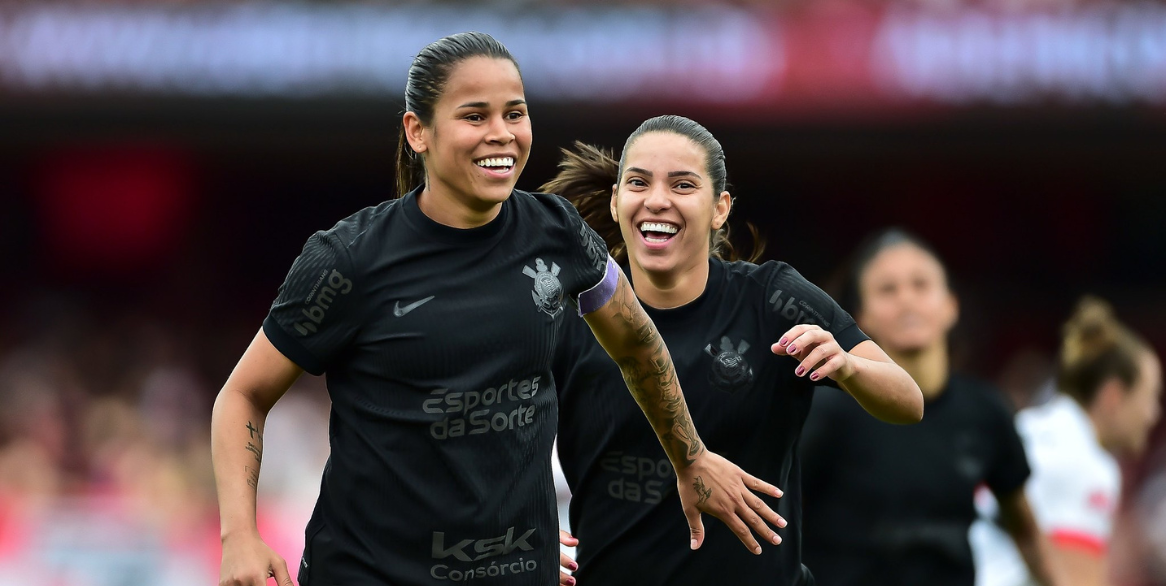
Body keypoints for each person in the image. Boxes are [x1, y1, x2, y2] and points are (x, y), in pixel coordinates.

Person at [210, 33, 784, 586]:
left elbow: (637, 344)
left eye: (515, 113)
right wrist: (239, 533)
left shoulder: (558, 234)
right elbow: (243, 395)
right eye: (474, 116)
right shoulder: (349, 259)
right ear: (419, 132)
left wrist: (690, 458)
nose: (502, 134)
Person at [543, 115, 924, 586]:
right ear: (617, 199)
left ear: (720, 208)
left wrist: (847, 366)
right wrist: (523, 531)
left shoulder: (773, 299)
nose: (657, 200)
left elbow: (908, 401)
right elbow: (493, 437)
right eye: (639, 183)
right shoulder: (573, 313)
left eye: (682, 185)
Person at [799, 229, 1061, 586]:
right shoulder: (827, 410)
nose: (907, 300)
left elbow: (1027, 529)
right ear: (861, 316)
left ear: (951, 305)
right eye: (888, 290)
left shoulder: (985, 411)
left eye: (921, 285)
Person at [972, 297, 1162, 586]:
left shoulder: (1029, 425)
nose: (1153, 414)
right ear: (1113, 396)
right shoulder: (1088, 464)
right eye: (1149, 397)